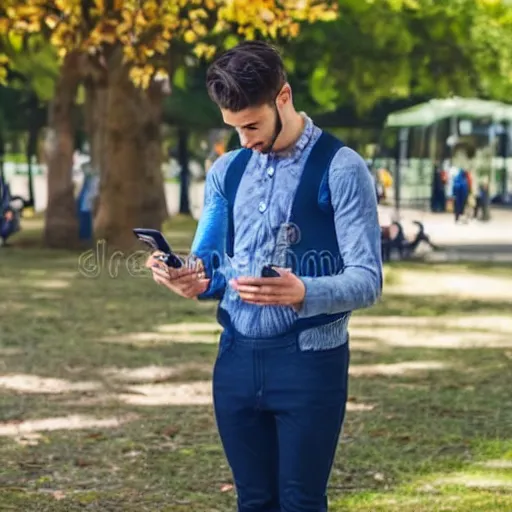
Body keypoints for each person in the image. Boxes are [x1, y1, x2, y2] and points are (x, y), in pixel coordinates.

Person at [145, 41, 382, 512]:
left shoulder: (342, 168)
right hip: (234, 361)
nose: (244, 140)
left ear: (284, 97)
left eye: (251, 125)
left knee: (300, 502)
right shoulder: (227, 171)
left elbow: (367, 279)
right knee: (253, 501)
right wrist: (186, 279)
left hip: (310, 364)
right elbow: (209, 267)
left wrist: (304, 291)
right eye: (233, 128)